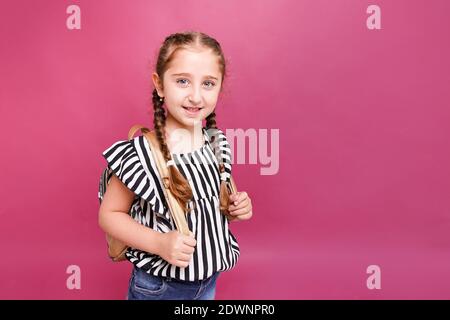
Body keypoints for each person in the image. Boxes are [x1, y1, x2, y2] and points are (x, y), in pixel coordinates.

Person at [98, 31, 253, 300]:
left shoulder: (217, 144)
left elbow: (207, 203)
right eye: (182, 81)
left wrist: (235, 206)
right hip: (159, 287)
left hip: (208, 282)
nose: (195, 96)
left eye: (208, 83)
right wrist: (159, 243)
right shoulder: (140, 154)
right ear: (159, 85)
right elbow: (109, 215)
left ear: (220, 87)